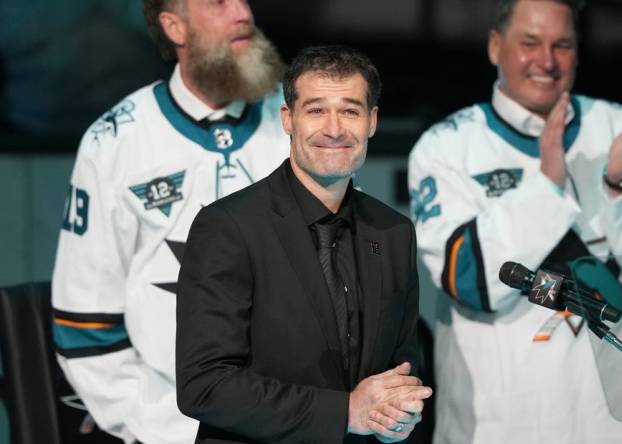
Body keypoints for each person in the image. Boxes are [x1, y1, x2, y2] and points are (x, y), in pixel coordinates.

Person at [408, 0, 622, 443]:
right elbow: (470, 283)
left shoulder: (616, 125)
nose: (546, 60)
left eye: (561, 45)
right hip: (495, 428)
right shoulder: (447, 146)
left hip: (610, 427)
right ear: (495, 46)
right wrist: (546, 184)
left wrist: (621, 184)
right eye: (530, 43)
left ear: (577, 52)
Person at [51, 0, 290, 442]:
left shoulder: (303, 121)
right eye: (219, 2)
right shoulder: (115, 141)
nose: (242, 12)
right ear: (174, 27)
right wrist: (145, 420)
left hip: (299, 422)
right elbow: (83, 322)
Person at [176, 45, 432, 444]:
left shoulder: (394, 231)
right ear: (288, 119)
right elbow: (204, 385)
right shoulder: (228, 226)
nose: (334, 128)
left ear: (372, 121)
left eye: (350, 111)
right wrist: (345, 412)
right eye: (316, 110)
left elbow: (402, 369)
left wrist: (396, 415)